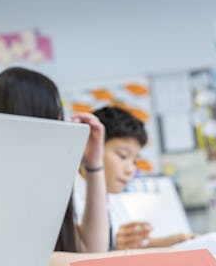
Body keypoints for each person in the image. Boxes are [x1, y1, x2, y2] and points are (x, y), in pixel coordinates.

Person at [0, 67, 109, 254]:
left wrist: (94, 164)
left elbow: (92, 249)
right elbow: (35, 265)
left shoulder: (44, 181)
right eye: (56, 114)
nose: (61, 121)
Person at [73, 106, 194, 249]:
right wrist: (114, 246)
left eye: (135, 161)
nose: (130, 169)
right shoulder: (69, 198)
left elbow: (127, 246)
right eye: (123, 156)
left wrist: (179, 239)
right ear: (90, 146)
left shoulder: (113, 197)